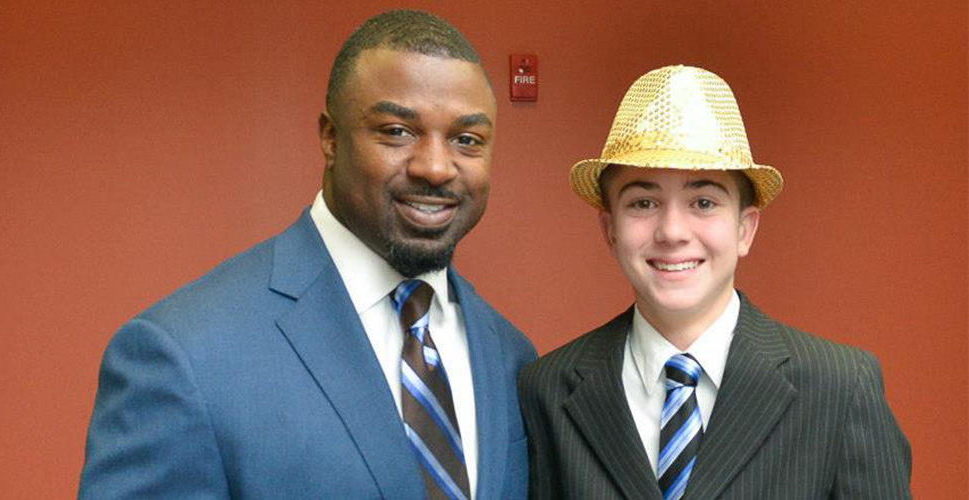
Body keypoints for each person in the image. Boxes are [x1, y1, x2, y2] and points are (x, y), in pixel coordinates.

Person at [79, 10, 536, 500]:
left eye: (466, 140)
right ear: (331, 138)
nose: (435, 166)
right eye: (397, 131)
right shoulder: (184, 355)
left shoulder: (515, 359)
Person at [518, 65, 911, 499]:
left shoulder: (839, 386)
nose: (672, 231)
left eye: (703, 202)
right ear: (609, 229)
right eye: (643, 202)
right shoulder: (547, 388)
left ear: (745, 229)